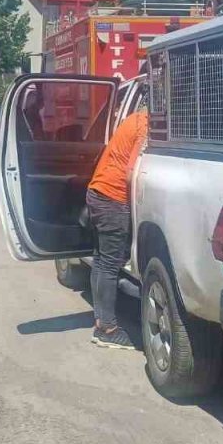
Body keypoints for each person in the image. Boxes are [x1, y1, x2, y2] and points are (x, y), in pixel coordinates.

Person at [86, 102, 149, 349]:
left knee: (101, 261)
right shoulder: (146, 125)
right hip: (113, 197)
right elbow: (131, 171)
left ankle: (101, 321)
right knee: (110, 265)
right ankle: (108, 329)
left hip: (98, 191)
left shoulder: (134, 117)